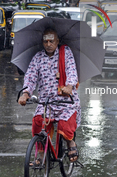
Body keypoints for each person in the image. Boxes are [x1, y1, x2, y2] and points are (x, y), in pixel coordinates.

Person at [18, 27, 80, 162]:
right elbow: (30, 76)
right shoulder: (38, 57)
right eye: (46, 41)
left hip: (65, 101)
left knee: (65, 124)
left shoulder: (66, 52)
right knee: (38, 121)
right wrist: (26, 93)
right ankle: (41, 154)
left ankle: (70, 142)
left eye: (52, 41)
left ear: (57, 41)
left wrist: (69, 86)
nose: (49, 44)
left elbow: (71, 70)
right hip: (46, 102)